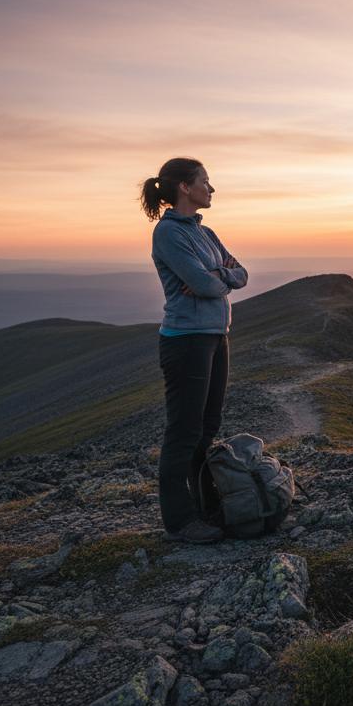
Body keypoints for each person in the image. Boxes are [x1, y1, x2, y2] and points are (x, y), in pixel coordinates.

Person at [140, 157, 247, 544]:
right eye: (205, 181)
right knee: (184, 430)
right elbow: (203, 285)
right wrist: (217, 277)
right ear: (185, 187)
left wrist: (218, 275)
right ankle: (180, 521)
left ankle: (207, 506)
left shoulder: (207, 233)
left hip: (217, 336)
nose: (211, 188)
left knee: (208, 427)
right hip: (185, 340)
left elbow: (241, 274)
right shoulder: (168, 234)